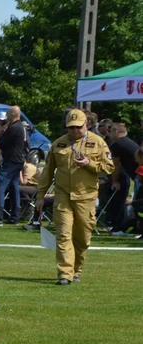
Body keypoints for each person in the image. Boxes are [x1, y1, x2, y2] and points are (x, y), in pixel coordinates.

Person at [35, 109, 114, 285]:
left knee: (83, 237)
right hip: (62, 195)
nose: (74, 131)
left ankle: (77, 270)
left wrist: (89, 164)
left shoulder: (98, 142)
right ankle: (64, 274)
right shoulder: (58, 144)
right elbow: (47, 172)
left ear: (86, 125)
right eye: (70, 127)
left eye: (78, 127)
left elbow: (109, 168)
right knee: (63, 234)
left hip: (86, 197)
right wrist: (40, 196)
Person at [0, 105, 28, 225]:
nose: (6, 115)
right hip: (19, 161)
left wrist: (0, 134)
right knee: (14, 188)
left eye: (8, 113)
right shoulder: (22, 127)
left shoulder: (13, 128)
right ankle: (14, 217)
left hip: (10, 161)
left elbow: (1, 144)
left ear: (13, 114)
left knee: (0, 186)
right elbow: (26, 144)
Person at [107, 122, 140, 236]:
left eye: (110, 131)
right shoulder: (128, 142)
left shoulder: (117, 144)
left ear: (116, 132)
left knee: (138, 204)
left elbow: (115, 165)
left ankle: (128, 229)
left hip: (139, 176)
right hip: (138, 176)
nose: (109, 133)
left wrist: (115, 181)